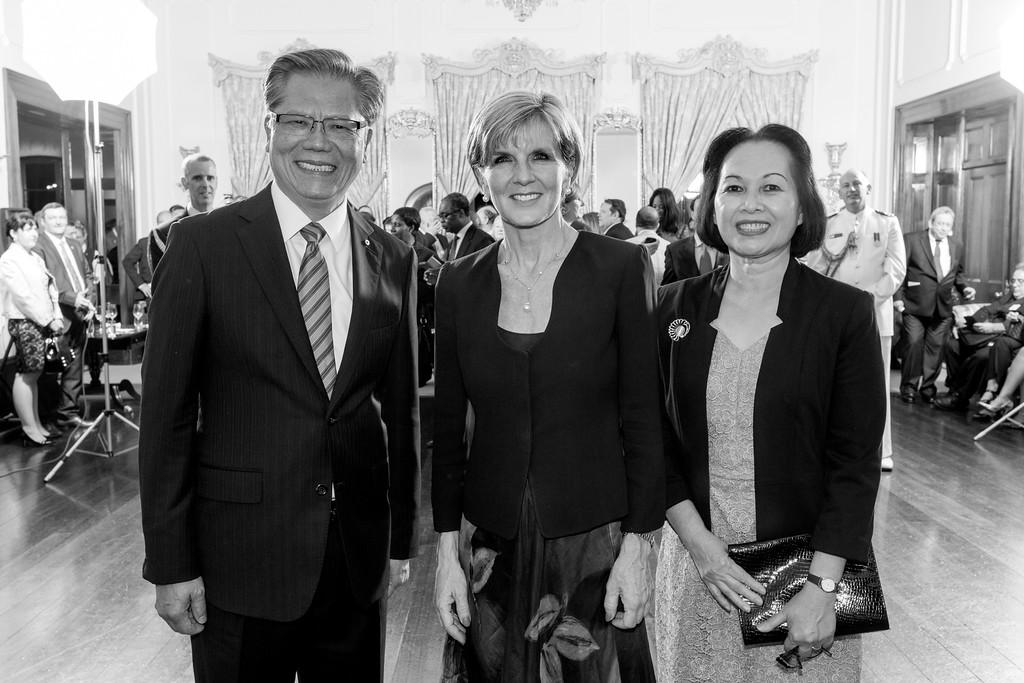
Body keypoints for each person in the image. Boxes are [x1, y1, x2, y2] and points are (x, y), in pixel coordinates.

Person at [139, 48, 420, 683]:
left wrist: (400, 542)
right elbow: (166, 420)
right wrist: (172, 562)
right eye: (298, 121)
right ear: (268, 129)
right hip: (238, 564)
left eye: (342, 125)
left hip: (354, 563)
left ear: (365, 138)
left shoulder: (392, 257)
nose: (320, 142)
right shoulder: (203, 247)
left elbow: (397, 415)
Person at [432, 90, 663, 682]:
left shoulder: (620, 269)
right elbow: (449, 430)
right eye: (503, 159)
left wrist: (640, 546)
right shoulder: (459, 283)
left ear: (570, 167)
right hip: (491, 551)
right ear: (482, 174)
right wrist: (444, 556)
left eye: (540, 156)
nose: (522, 175)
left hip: (594, 546)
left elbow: (643, 418)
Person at [656, 124, 884, 681]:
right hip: (694, 569)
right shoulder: (668, 308)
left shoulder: (844, 314)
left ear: (804, 205)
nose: (750, 205)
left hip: (806, 579)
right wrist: (703, 550)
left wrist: (824, 588)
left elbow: (855, 466)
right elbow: (649, 441)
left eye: (771, 187)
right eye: (733, 188)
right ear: (711, 205)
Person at [804, 168, 906, 472]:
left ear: (868, 187)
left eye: (856, 184)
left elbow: (896, 270)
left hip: (876, 315)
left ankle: (882, 451)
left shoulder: (887, 223)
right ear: (839, 191)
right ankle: (835, 447)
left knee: (876, 385)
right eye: (845, 186)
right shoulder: (830, 224)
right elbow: (816, 267)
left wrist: (866, 301)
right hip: (836, 318)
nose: (851, 190)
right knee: (834, 383)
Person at [895, 206, 974, 406]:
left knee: (936, 349)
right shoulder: (912, 239)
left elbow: (958, 274)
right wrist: (897, 298)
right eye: (940, 223)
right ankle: (909, 387)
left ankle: (928, 388)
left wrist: (965, 288)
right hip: (914, 305)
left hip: (943, 308)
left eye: (947, 225)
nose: (943, 228)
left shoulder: (957, 245)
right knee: (913, 344)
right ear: (931, 223)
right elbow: (899, 270)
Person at [0, 213, 64, 446]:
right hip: (25, 321)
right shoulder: (9, 260)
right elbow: (24, 297)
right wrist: (48, 320)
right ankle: (29, 428)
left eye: (35, 228)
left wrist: (55, 315)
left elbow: (50, 289)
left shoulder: (34, 257)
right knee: (27, 373)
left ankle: (36, 424)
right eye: (27, 229)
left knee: (34, 373)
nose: (34, 233)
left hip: (42, 320)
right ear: (13, 234)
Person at [33, 202, 94, 431]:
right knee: (50, 371)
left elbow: (87, 274)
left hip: (80, 315)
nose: (59, 221)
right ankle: (48, 418)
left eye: (62, 217)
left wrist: (90, 300)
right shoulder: (38, 245)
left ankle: (68, 414)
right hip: (57, 316)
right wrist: (72, 299)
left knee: (75, 369)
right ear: (43, 221)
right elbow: (44, 281)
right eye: (53, 218)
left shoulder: (75, 244)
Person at [934, 263, 1024, 414]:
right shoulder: (1008, 297)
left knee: (981, 357)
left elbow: (1017, 329)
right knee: (952, 345)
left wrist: (997, 327)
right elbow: (987, 309)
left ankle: (960, 398)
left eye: (1020, 282)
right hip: (987, 336)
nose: (1015, 285)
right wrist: (969, 322)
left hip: (1005, 341)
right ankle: (954, 389)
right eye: (1013, 281)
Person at [148, 153, 219, 273]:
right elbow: (163, 288)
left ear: (216, 181)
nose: (206, 185)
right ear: (184, 182)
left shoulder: (230, 226)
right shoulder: (163, 233)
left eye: (210, 178)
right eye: (198, 178)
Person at [661, 195, 727, 286]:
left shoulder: (729, 248)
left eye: (709, 210)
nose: (705, 215)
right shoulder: (675, 251)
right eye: (700, 210)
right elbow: (667, 292)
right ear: (692, 214)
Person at [438, 192, 494, 260]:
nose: (441, 220)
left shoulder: (483, 240)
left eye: (445, 216)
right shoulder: (452, 243)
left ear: (461, 213)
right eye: (440, 216)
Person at [629, 206, 670, 284]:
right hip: (663, 294)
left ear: (636, 223)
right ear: (658, 225)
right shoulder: (669, 246)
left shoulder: (626, 244)